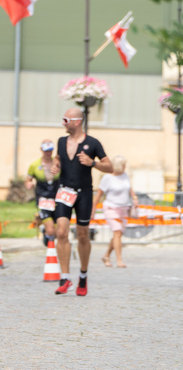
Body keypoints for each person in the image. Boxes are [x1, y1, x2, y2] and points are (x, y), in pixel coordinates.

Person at [49, 107, 112, 296]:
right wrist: (55, 165)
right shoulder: (60, 141)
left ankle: (83, 277)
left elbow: (109, 166)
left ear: (77, 121)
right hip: (64, 192)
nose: (63, 123)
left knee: (83, 235)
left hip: (84, 194)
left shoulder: (93, 143)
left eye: (65, 120)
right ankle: (65, 277)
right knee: (61, 232)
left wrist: (93, 163)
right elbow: (58, 158)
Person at [92, 155, 138, 268]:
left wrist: (134, 198)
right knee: (117, 232)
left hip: (124, 208)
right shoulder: (107, 178)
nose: (125, 167)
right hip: (111, 208)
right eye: (123, 165)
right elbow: (98, 196)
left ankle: (106, 255)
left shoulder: (125, 175)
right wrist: (92, 210)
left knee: (118, 234)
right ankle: (119, 260)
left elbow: (129, 188)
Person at [26, 139, 59, 246]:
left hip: (58, 198)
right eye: (46, 151)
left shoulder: (58, 163)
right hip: (43, 199)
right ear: (41, 150)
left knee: (59, 232)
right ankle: (48, 236)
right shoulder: (34, 165)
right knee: (51, 230)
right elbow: (28, 180)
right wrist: (29, 184)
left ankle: (47, 235)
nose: (48, 153)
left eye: (50, 150)